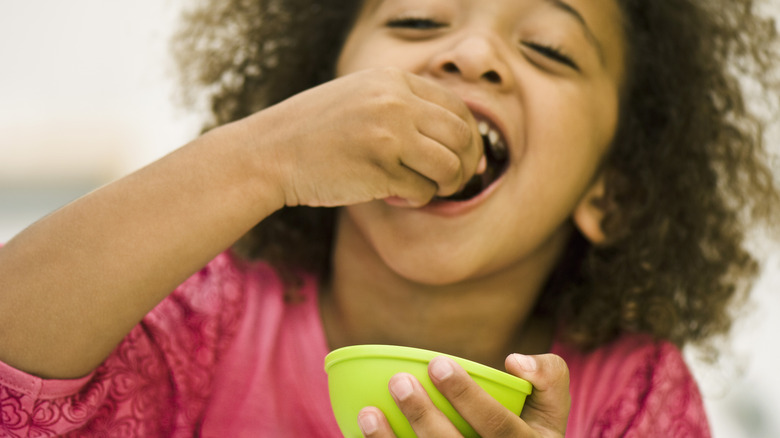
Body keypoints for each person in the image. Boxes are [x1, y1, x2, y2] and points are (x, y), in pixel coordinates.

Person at [0, 0, 778, 436]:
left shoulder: (637, 394)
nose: (470, 53)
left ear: (617, 194)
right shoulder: (215, 311)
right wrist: (261, 157)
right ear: (316, 98)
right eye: (415, 21)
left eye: (548, 48)